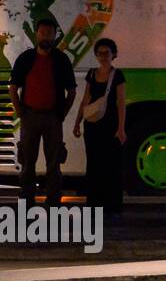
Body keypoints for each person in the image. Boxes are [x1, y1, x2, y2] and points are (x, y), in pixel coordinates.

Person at [9, 18, 79, 204]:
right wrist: (21, 113)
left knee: (54, 165)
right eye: (42, 33)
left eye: (49, 33)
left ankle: (54, 202)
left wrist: (62, 114)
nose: (46, 36)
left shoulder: (61, 59)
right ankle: (26, 202)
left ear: (55, 36)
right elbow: (13, 88)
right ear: (36, 34)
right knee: (27, 164)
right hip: (30, 116)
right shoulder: (25, 58)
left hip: (53, 118)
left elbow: (72, 91)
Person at [72, 38, 128, 218]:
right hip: (93, 125)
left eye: (107, 53)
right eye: (100, 53)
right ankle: (95, 204)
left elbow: (121, 103)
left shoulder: (117, 75)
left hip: (110, 126)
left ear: (113, 55)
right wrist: (77, 121)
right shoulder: (91, 74)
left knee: (111, 165)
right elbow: (85, 99)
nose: (103, 57)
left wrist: (121, 128)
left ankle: (111, 206)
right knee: (94, 164)